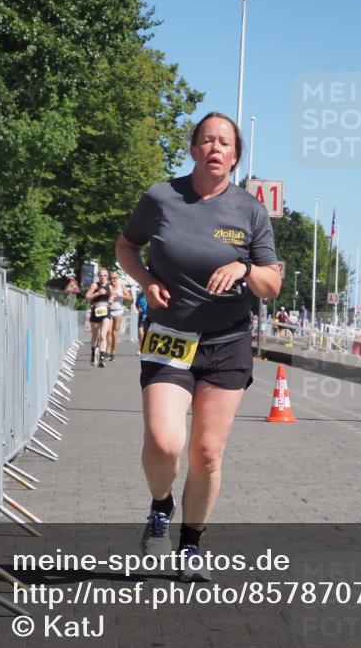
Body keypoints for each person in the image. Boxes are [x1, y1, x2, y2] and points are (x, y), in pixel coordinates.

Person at [116, 112, 281, 582]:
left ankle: (191, 545)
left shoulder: (250, 211)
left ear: (235, 156)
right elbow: (126, 246)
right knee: (165, 443)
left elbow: (271, 282)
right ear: (192, 150)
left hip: (227, 341)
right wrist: (145, 281)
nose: (215, 148)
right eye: (206, 140)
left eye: (224, 143)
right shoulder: (161, 197)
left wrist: (245, 270)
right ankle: (161, 505)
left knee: (207, 453)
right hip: (171, 336)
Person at [84, 268, 113, 367]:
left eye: (105, 275)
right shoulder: (95, 285)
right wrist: (97, 293)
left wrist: (111, 300)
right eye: (101, 275)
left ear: (107, 277)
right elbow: (87, 297)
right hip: (95, 311)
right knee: (95, 335)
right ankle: (93, 354)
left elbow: (112, 296)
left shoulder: (110, 287)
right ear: (98, 276)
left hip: (105, 312)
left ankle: (102, 359)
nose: (103, 277)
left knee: (103, 335)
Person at [106, 270, 132, 361]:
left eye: (115, 278)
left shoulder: (121, 285)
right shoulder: (107, 286)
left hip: (118, 311)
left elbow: (129, 297)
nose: (113, 280)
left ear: (117, 278)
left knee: (114, 333)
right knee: (108, 332)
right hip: (109, 310)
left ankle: (113, 351)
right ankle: (107, 351)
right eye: (111, 278)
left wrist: (119, 295)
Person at [135, 290, 149, 354]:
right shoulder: (140, 295)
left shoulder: (151, 293)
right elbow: (136, 304)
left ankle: (146, 348)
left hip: (150, 315)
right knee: (140, 333)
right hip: (142, 315)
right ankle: (141, 348)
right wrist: (138, 308)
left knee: (148, 333)